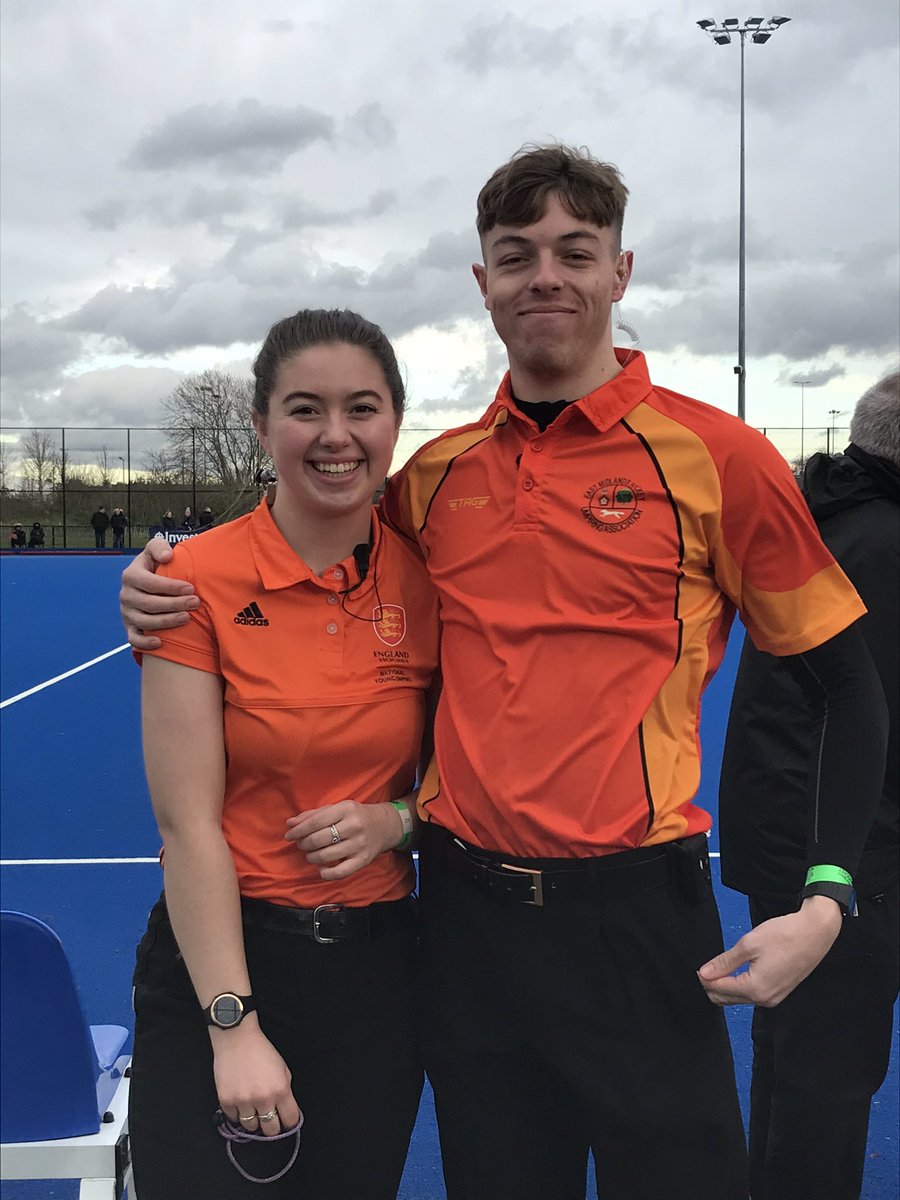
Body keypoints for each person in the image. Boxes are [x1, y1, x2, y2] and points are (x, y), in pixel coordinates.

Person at [120, 145, 888, 1200]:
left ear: (620, 272)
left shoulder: (719, 458)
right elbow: (307, 522)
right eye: (516, 254)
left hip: (639, 922)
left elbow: (849, 688)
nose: (546, 276)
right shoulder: (434, 478)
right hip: (467, 927)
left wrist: (828, 898)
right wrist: (168, 573)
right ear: (482, 283)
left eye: (577, 251)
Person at [127, 309, 439, 1199]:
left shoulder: (430, 581)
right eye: (306, 409)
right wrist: (233, 1025)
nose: (335, 436)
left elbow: (468, 776)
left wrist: (399, 821)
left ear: (393, 424)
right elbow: (186, 824)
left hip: (378, 975)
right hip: (226, 961)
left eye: (363, 409)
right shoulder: (190, 583)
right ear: (262, 426)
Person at [718, 370, 900, 1200]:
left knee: (800, 1073)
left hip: (799, 833)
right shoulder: (879, 541)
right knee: (823, 1083)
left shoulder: (828, 521)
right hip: (838, 848)